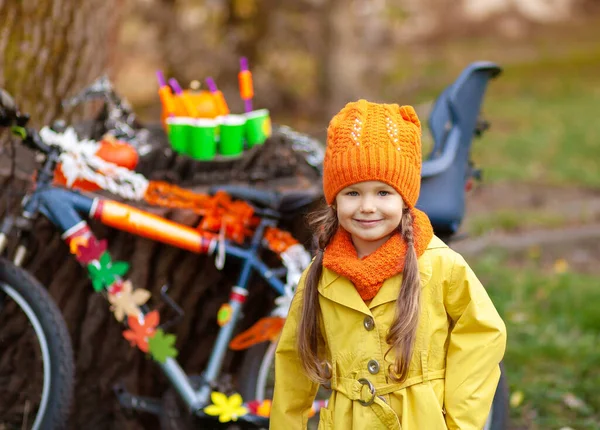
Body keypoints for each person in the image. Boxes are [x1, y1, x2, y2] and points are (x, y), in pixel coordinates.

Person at [270, 100, 507, 429]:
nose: (367, 207)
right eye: (352, 193)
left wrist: (461, 421)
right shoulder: (320, 274)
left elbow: (482, 335)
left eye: (383, 193)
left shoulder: (439, 265)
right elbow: (294, 362)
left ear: (405, 198)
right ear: (334, 199)